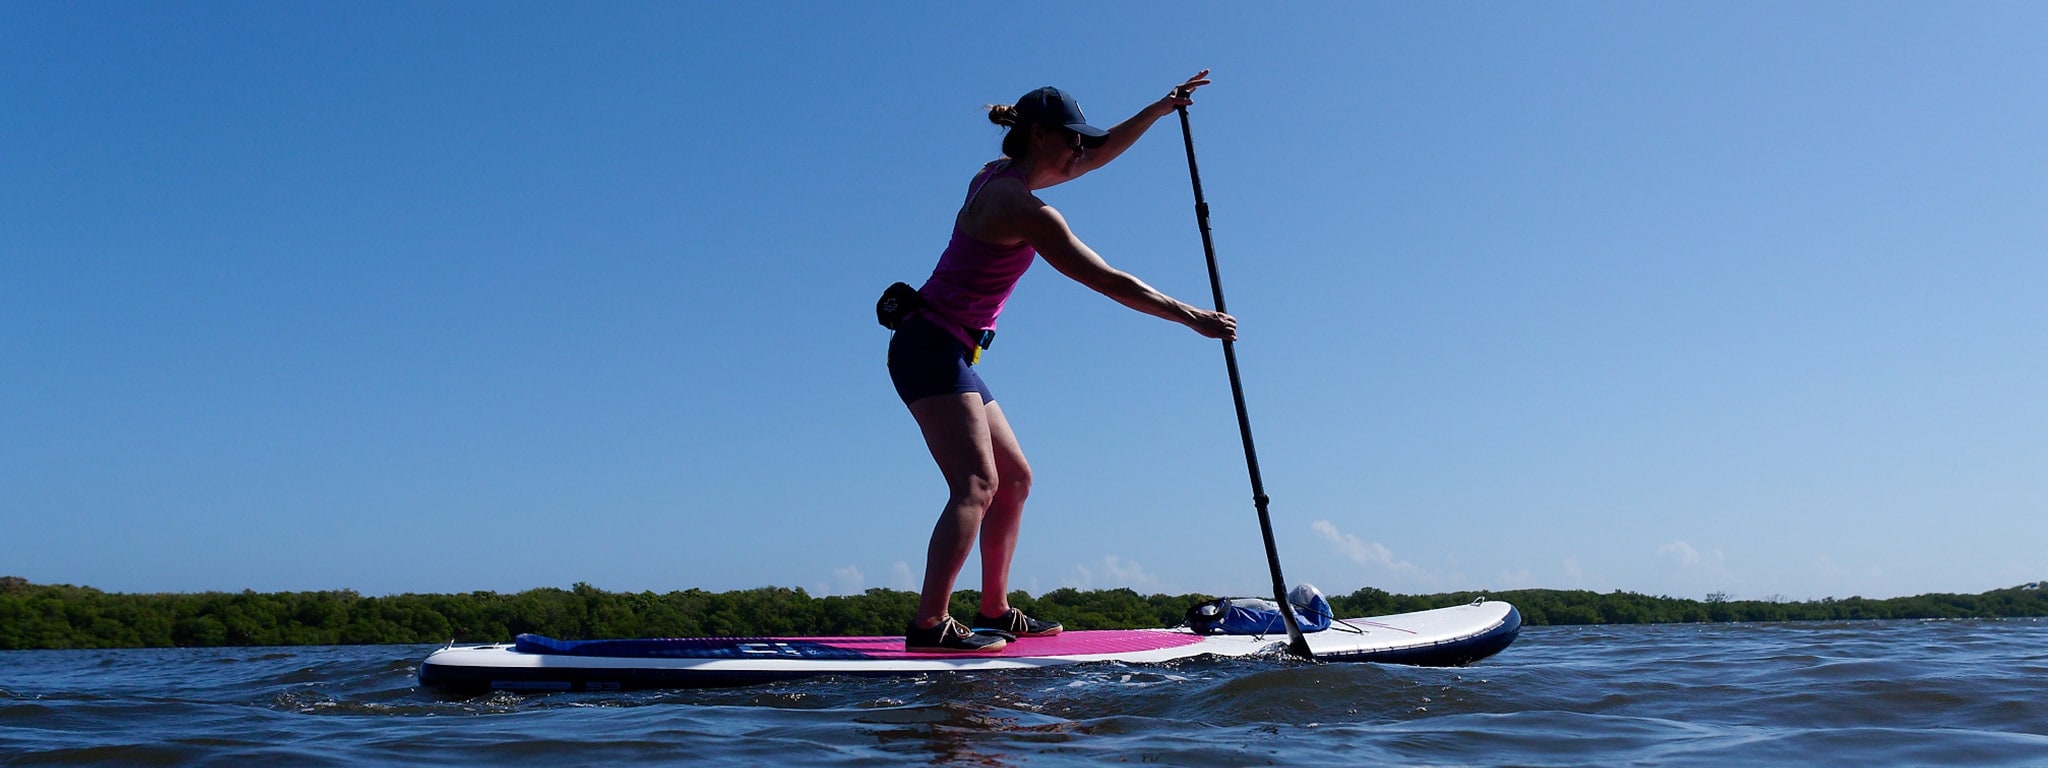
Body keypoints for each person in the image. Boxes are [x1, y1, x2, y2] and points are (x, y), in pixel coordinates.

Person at [888, 72, 1237, 652]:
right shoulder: (1017, 205)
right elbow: (1106, 280)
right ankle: (929, 625)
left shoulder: (996, 175)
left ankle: (994, 610)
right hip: (927, 346)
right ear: (1040, 136)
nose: (1081, 148)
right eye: (1071, 138)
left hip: (949, 349)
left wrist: (1157, 109)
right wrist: (1191, 316)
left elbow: (1097, 156)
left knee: (1015, 480)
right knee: (976, 484)